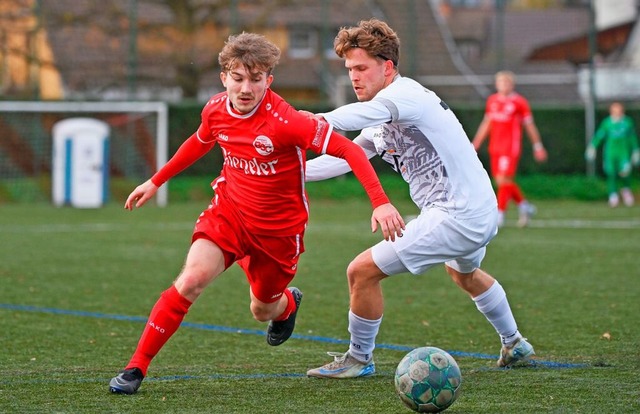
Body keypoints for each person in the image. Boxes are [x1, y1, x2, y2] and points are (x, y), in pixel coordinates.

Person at [108, 32, 405, 395]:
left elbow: (350, 151)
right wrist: (156, 181)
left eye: (255, 78)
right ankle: (135, 368)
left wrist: (380, 200)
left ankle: (286, 306)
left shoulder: (287, 121)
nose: (245, 88)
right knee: (191, 280)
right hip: (229, 214)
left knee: (262, 309)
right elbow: (199, 142)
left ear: (269, 80)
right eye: (238, 78)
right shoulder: (216, 109)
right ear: (224, 78)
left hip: (279, 233)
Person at [303, 19, 535, 379]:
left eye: (362, 67)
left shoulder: (406, 96)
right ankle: (515, 342)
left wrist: (313, 122)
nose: (354, 76)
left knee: (360, 272)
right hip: (476, 210)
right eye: (350, 69)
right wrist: (294, 173)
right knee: (465, 275)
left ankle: (359, 358)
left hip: (458, 214)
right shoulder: (383, 112)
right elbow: (347, 157)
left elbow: (355, 117)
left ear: (388, 67)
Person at [472, 70, 547, 228]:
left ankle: (500, 215)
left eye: (507, 82)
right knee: (501, 182)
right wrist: (476, 142)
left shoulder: (519, 102)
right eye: (501, 82)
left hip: (510, 147)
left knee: (504, 180)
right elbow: (487, 123)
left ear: (512, 85)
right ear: (496, 84)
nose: (504, 85)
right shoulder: (492, 101)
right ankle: (525, 206)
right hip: (495, 147)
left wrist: (538, 146)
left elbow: (529, 125)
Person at [586, 101, 640, 207]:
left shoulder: (627, 122)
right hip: (610, 153)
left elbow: (632, 137)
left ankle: (626, 191)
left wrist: (636, 150)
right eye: (614, 109)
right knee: (611, 173)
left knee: (625, 172)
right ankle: (613, 195)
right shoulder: (607, 123)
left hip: (624, 153)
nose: (617, 111)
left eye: (619, 109)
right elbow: (600, 135)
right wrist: (592, 147)